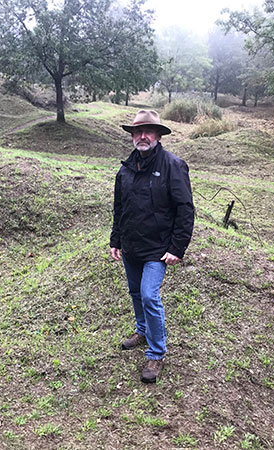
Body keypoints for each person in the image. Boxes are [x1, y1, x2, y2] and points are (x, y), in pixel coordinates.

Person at [110, 109, 195, 383]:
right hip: (131, 245)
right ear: (132, 136)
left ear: (158, 135)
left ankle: (156, 353)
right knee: (135, 292)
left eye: (148, 131)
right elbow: (120, 207)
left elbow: (185, 209)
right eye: (137, 132)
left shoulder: (173, 165)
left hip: (158, 249)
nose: (142, 136)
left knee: (149, 296)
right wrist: (116, 240)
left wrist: (177, 247)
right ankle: (142, 330)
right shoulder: (125, 168)